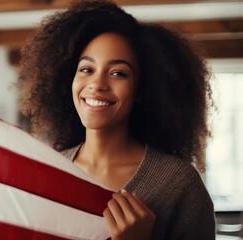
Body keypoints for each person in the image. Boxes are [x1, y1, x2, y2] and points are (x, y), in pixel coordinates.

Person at [16, 0, 216, 239]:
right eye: (86, 70)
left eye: (118, 73)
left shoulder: (179, 185)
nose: (97, 84)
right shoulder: (51, 173)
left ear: (141, 90)